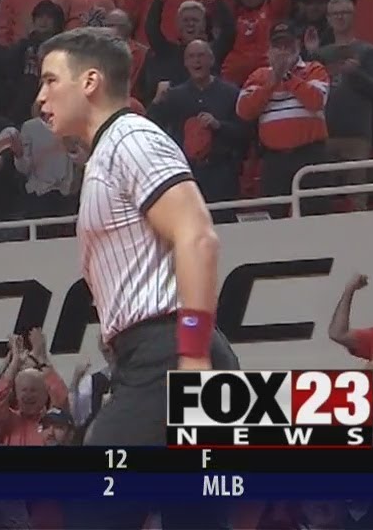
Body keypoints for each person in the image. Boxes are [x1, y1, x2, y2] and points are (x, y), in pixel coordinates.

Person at [34, 27, 238, 528]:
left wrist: (190, 357)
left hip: (173, 355)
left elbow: (198, 238)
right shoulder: (108, 151)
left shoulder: (132, 139)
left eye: (49, 81)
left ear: (90, 82)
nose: (39, 97)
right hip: (157, 354)